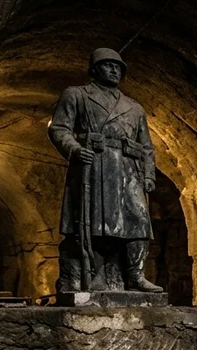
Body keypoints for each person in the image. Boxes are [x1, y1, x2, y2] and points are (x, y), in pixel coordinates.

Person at [48, 48, 163, 294]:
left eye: (118, 67)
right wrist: (75, 149)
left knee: (139, 223)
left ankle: (135, 275)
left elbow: (146, 146)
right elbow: (59, 129)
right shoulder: (76, 95)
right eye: (108, 65)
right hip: (95, 166)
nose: (114, 70)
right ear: (94, 69)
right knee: (94, 225)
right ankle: (89, 277)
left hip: (128, 170)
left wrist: (149, 175)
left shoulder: (134, 107)